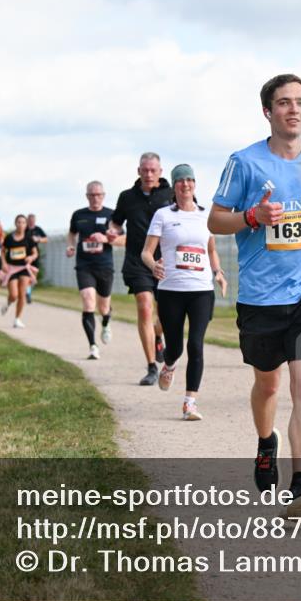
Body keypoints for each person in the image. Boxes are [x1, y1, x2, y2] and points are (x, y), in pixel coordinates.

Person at [209, 74, 301, 519]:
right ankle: (266, 442)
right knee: (267, 384)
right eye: (284, 102)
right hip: (260, 295)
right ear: (267, 111)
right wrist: (252, 216)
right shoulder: (244, 162)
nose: (293, 109)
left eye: (300, 102)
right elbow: (216, 220)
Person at [143, 164, 228, 421]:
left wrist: (218, 272)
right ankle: (168, 365)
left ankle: (189, 403)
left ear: (195, 184)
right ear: (174, 185)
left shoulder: (205, 216)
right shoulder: (163, 215)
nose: (185, 184)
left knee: (196, 344)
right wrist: (153, 265)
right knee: (176, 347)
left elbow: (211, 250)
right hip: (171, 290)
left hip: (201, 290)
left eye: (189, 179)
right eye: (180, 180)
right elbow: (146, 252)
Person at [106, 152, 174, 385]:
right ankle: (151, 367)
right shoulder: (127, 197)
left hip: (166, 262)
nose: (148, 174)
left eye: (153, 170)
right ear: (138, 171)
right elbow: (116, 222)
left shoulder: (171, 194)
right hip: (138, 262)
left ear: (160, 172)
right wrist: (113, 231)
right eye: (145, 170)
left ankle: (158, 335)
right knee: (145, 307)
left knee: (166, 314)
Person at [67, 181, 119, 360]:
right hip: (84, 265)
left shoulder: (111, 215)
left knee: (103, 307)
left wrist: (106, 238)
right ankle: (93, 346)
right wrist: (70, 246)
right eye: (92, 195)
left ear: (103, 195)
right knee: (88, 301)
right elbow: (72, 233)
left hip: (104, 265)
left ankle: (105, 322)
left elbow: (122, 238)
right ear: (87, 196)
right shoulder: (78, 215)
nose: (95, 198)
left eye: (98, 195)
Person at [0, 214, 38, 328]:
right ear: (15, 223)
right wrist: (4, 263)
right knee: (13, 295)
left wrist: (31, 257)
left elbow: (35, 253)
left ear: (26, 225)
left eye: (23, 222)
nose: (21, 224)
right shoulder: (9, 238)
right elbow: (3, 252)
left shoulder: (29, 238)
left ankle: (17, 319)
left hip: (24, 268)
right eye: (19, 222)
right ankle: (8, 303)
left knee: (22, 294)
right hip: (12, 268)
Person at [25, 214, 48, 304]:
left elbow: (46, 239)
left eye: (33, 220)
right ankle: (27, 293)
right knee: (26, 274)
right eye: (30, 220)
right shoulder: (24, 229)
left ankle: (28, 291)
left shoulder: (38, 229)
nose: (31, 221)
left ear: (35, 221)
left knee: (33, 276)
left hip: (35, 254)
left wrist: (38, 239)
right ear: (27, 220)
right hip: (25, 255)